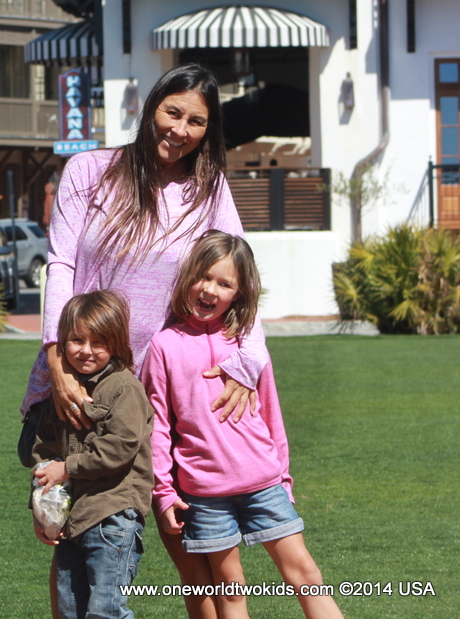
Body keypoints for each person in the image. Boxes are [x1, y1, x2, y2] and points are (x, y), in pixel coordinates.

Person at [19, 63, 270, 619]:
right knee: (73, 538)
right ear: (151, 106)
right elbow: (60, 264)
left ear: (209, 130)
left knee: (189, 539)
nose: (180, 129)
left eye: (196, 122)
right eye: (172, 112)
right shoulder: (89, 170)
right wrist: (57, 362)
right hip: (83, 376)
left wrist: (248, 361)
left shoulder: (209, 189)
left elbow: (240, 277)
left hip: (164, 383)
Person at [144, 232, 344, 619]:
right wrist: (164, 493)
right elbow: (159, 428)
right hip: (205, 494)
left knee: (306, 574)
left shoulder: (248, 345)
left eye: (225, 284)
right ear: (187, 276)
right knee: (230, 590)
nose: (210, 290)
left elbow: (272, 415)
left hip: (264, 484)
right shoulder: (163, 346)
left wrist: (283, 478)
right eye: (203, 277)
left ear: (239, 293)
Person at [31, 290, 153, 619]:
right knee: (69, 610)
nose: (86, 350)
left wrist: (67, 468)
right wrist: (41, 509)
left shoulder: (123, 388)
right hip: (72, 521)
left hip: (112, 515)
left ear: (116, 344)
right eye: (77, 340)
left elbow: (120, 446)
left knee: (106, 611)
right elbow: (44, 451)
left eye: (98, 342)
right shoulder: (63, 392)